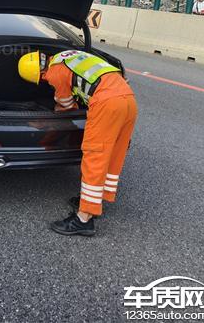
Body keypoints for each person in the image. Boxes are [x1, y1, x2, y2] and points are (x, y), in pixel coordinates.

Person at [18, 49, 137, 236]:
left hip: (106, 103)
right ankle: (94, 201)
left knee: (95, 156)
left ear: (39, 74)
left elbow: (67, 106)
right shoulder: (67, 55)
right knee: (113, 154)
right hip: (128, 99)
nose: (45, 81)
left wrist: (54, 113)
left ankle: (84, 219)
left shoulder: (54, 72)